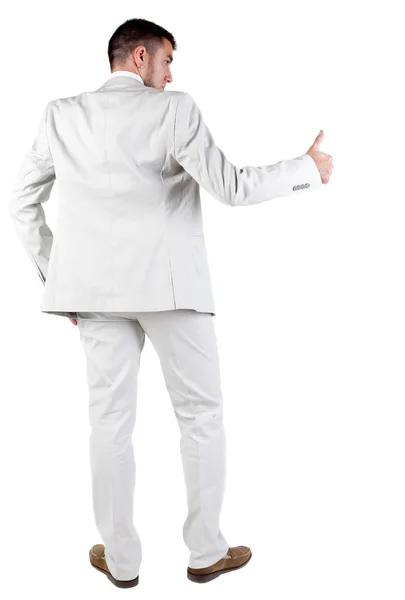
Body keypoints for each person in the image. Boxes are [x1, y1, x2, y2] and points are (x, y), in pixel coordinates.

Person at [8, 17, 334, 588]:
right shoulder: (174, 108)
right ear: (139, 57)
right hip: (172, 288)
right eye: (166, 60)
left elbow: (21, 204)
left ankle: (122, 561)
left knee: (108, 423)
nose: (170, 72)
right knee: (200, 416)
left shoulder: (60, 114)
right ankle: (206, 552)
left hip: (93, 295)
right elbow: (230, 186)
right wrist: (306, 169)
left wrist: (59, 279)